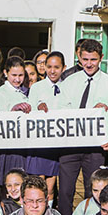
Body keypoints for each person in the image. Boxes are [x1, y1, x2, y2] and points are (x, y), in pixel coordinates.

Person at [58, 38, 108, 215]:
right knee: (65, 191)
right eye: (85, 59)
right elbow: (61, 111)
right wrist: (89, 112)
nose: (89, 64)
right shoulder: (69, 82)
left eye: (93, 60)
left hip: (97, 147)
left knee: (95, 191)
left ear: (101, 58)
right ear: (79, 57)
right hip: (70, 145)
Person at [25, 51, 66, 201]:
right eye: (49, 66)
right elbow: (30, 112)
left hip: (57, 143)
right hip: (39, 143)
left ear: (63, 67)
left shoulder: (68, 87)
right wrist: (38, 107)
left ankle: (48, 214)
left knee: (50, 187)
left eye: (57, 67)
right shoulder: (37, 88)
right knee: (38, 185)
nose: (52, 70)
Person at [0, 56, 31, 185]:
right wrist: (13, 110)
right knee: (7, 182)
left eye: (21, 75)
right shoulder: (1, 93)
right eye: (14, 75)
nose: (17, 79)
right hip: (8, 148)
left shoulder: (24, 92)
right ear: (5, 73)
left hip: (23, 145)